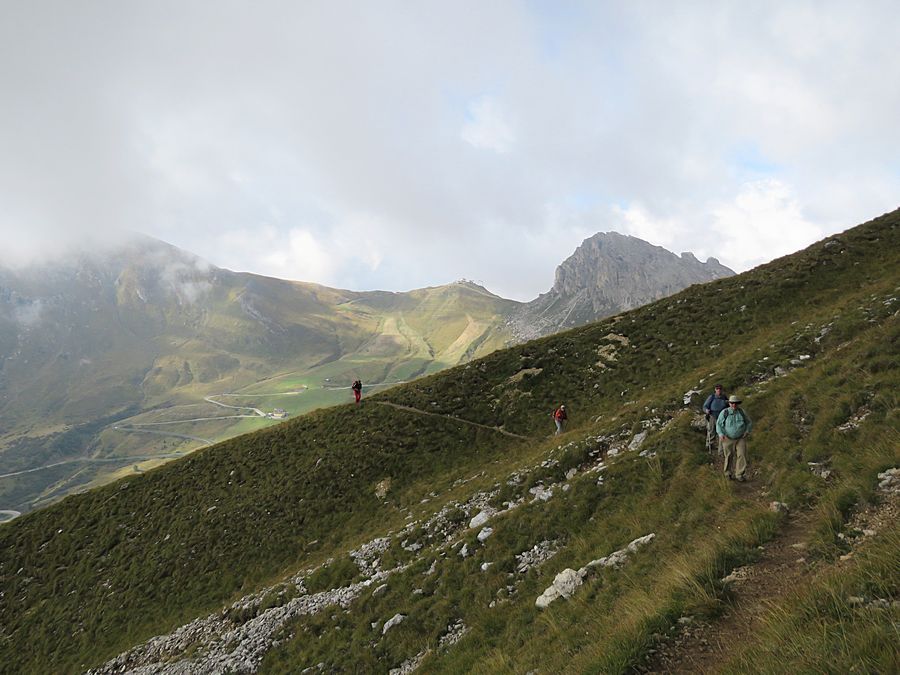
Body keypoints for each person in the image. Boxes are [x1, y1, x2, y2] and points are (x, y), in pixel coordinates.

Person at [716, 394, 752, 481]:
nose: (734, 405)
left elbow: (749, 422)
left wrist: (747, 431)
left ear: (738, 404)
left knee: (742, 455)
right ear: (729, 403)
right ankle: (727, 473)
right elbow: (719, 424)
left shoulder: (742, 412)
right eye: (732, 403)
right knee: (729, 456)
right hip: (727, 438)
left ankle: (739, 474)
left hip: (740, 438)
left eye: (735, 403)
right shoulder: (724, 412)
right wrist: (721, 434)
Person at [702, 384, 729, 454]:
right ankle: (709, 445)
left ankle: (721, 449)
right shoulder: (712, 397)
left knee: (721, 431)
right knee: (711, 430)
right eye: (717, 389)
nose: (719, 390)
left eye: (720, 388)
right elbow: (705, 406)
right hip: (712, 415)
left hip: (721, 416)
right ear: (715, 389)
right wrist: (706, 410)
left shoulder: (724, 397)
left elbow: (728, 406)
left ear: (722, 389)